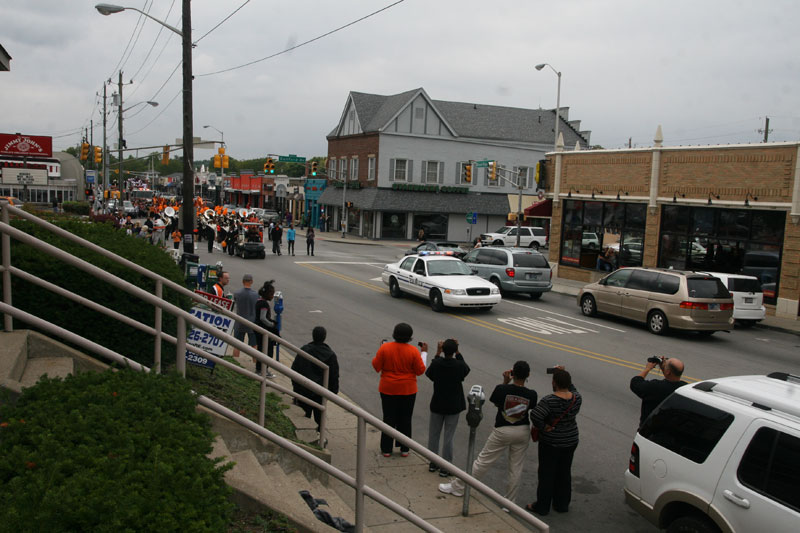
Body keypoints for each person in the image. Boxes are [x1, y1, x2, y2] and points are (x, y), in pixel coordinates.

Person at [439, 361, 536, 502]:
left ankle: (459, 487)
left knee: (483, 461)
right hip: (522, 430)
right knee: (516, 468)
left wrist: (505, 382)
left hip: (503, 429)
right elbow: (530, 407)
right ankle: (509, 502)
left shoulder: (502, 389)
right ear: (528, 375)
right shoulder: (532, 394)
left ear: (512, 373)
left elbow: (497, 402)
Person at [526, 367, 582, 516]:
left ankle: (543, 506)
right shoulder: (576, 398)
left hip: (551, 443)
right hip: (570, 440)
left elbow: (535, 415)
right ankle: (562, 504)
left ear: (554, 383)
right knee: (564, 472)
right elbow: (573, 389)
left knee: (546, 474)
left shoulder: (549, 400)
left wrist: (544, 427)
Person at [371, 323, 426, 457]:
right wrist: (424, 352)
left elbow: (376, 366)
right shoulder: (413, 351)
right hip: (408, 389)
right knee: (406, 418)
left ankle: (386, 449)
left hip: (388, 387)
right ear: (410, 337)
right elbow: (420, 370)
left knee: (388, 418)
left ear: (394, 334)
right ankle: (404, 448)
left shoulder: (385, 348)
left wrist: (381, 350)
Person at [425, 339, 470, 477]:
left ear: (443, 350)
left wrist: (438, 353)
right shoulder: (458, 365)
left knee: (434, 434)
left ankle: (433, 463)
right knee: (448, 437)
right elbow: (466, 369)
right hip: (453, 405)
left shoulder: (437, 363)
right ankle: (446, 466)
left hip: (438, 403)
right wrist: (458, 351)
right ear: (455, 351)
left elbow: (429, 373)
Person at [291, 326, 340, 430]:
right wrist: (333, 392)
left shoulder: (304, 350)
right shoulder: (330, 355)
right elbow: (334, 375)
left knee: (303, 417)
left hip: (304, 390)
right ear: (324, 337)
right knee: (320, 419)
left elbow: (294, 369)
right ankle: (320, 437)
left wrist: (296, 389)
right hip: (320, 392)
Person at [630, 356, 687, 426]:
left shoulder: (655, 387)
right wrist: (665, 369)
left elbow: (635, 383)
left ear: (668, 372)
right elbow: (670, 379)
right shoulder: (685, 388)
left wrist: (647, 368)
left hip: (650, 431)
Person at [254, 280, 278, 377]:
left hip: (258, 330)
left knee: (261, 349)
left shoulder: (259, 301)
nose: (272, 296)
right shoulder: (264, 304)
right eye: (272, 294)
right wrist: (272, 325)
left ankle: (259, 369)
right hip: (262, 331)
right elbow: (263, 318)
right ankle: (263, 370)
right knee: (266, 351)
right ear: (267, 294)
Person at [232, 274, 259, 359]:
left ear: (243, 281)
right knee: (254, 345)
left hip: (240, 322)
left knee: (237, 345)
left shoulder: (237, 293)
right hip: (252, 323)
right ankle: (256, 365)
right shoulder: (256, 295)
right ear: (251, 282)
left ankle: (235, 364)